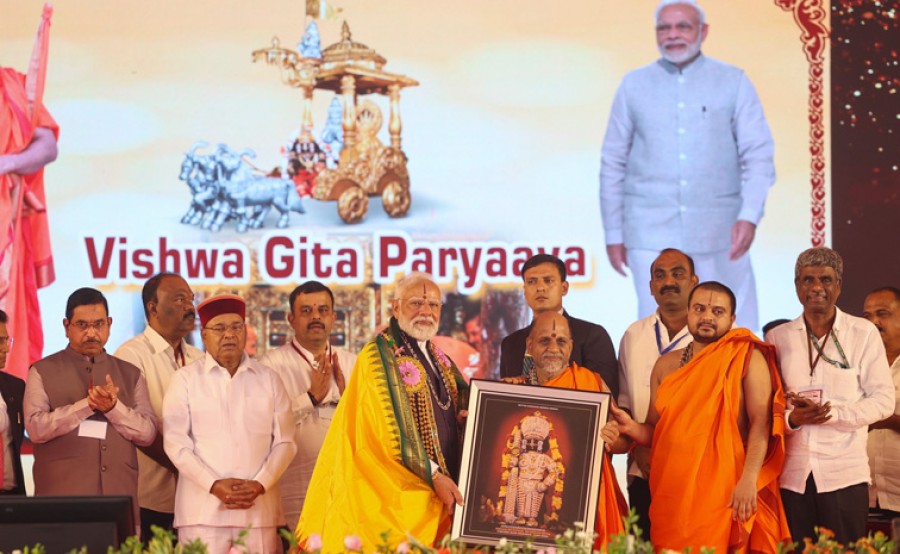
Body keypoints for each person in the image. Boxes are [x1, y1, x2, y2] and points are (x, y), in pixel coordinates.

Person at [599, 0, 775, 331]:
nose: (673, 35)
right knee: (655, 328)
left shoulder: (733, 81)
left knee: (732, 325)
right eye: (664, 28)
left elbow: (758, 154)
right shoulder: (633, 85)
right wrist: (613, 232)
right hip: (649, 229)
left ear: (703, 31)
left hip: (720, 228)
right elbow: (613, 162)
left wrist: (749, 215)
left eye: (683, 26)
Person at [612, 281, 790, 551]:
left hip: (725, 489)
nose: (707, 316)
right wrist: (632, 428)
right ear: (688, 313)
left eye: (718, 311)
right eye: (699, 309)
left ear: (732, 318)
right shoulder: (666, 365)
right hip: (672, 490)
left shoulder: (747, 357)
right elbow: (656, 431)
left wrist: (749, 480)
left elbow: (761, 425)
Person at [297, 273, 468, 551]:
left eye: (433, 305)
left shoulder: (440, 358)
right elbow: (381, 429)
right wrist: (434, 475)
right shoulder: (376, 357)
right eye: (416, 303)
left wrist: (465, 418)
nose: (426, 312)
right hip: (396, 497)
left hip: (443, 495)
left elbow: (462, 398)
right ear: (396, 307)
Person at [767, 248, 895, 545]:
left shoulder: (862, 332)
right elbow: (767, 407)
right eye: (808, 279)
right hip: (792, 477)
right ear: (797, 285)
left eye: (825, 280)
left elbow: (883, 400)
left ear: (838, 285)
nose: (816, 288)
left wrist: (833, 413)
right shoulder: (777, 337)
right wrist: (793, 419)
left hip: (844, 474)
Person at [163, 294, 296, 554]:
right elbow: (176, 443)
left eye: (236, 327)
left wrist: (260, 483)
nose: (229, 335)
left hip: (258, 510)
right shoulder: (185, 380)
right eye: (220, 328)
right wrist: (214, 485)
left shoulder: (269, 379)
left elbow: (286, 442)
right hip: (202, 513)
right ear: (204, 335)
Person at [23, 287, 157, 526]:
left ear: (109, 324)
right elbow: (35, 429)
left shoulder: (131, 373)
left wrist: (113, 408)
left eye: (99, 324)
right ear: (66, 326)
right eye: (82, 325)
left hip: (119, 499)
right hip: (60, 503)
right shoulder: (41, 370)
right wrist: (87, 405)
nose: (92, 333)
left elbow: (147, 434)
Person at [505, 311, 628, 548]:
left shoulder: (592, 383)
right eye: (544, 341)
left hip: (588, 502)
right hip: (532, 503)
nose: (553, 348)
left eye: (561, 341)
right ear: (530, 345)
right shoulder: (514, 390)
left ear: (570, 347)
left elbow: (623, 442)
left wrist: (614, 438)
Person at [114, 273, 204, 541]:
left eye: (191, 299)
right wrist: (185, 465)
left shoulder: (200, 358)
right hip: (152, 499)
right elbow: (134, 429)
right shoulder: (130, 356)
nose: (190, 307)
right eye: (179, 299)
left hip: (200, 498)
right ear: (152, 308)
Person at [260, 281, 356, 529]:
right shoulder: (270, 366)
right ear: (291, 320)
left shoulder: (354, 365)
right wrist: (310, 398)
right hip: (293, 492)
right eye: (306, 311)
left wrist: (348, 401)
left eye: (323, 310)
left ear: (333, 318)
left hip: (343, 490)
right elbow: (261, 427)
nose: (315, 317)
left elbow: (370, 429)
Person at [616, 248, 697, 538]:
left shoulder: (715, 335)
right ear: (651, 286)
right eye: (660, 276)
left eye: (678, 274)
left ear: (694, 282)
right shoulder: (633, 335)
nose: (668, 282)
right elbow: (624, 401)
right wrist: (639, 445)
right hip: (644, 467)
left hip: (698, 469)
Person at [0, 5, 59, 382]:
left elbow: (47, 145)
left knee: (9, 321)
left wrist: (7, 163)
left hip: (8, 228)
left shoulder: (13, 87)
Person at [499, 254, 618, 398]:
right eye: (532, 282)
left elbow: (606, 400)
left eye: (548, 281)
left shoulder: (592, 336)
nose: (540, 288)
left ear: (564, 288)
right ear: (524, 290)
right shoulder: (510, 343)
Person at [862, 286, 900, 520]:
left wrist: (884, 420)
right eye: (867, 316)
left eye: (882, 313)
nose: (873, 322)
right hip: (864, 496)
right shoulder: (856, 364)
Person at [0, 309, 26, 494]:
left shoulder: (15, 387)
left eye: (6, 340)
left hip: (11, 496)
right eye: (0, 341)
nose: (6, 348)